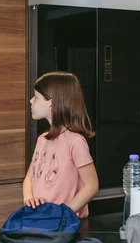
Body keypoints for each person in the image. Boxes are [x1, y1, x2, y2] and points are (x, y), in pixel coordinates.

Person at [23, 71, 99, 218]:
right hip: (41, 217)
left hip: (65, 225)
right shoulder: (42, 139)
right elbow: (29, 178)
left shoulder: (75, 142)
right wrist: (29, 198)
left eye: (36, 97)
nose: (31, 101)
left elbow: (92, 186)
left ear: (51, 103)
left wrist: (64, 214)